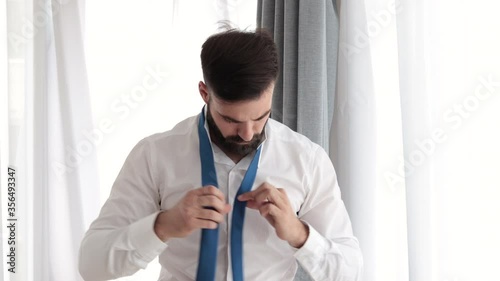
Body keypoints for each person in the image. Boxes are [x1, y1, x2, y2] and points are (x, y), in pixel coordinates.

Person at [79, 29, 363, 281]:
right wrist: (162, 226)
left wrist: (299, 234)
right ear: (205, 93)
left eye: (261, 117)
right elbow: (91, 265)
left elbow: (350, 272)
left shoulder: (307, 160)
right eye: (232, 120)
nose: (248, 134)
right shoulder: (155, 156)